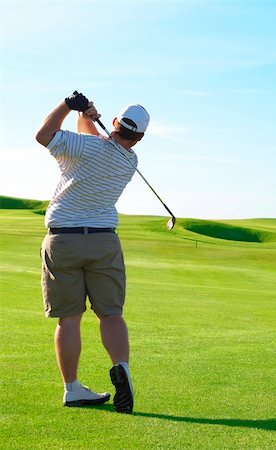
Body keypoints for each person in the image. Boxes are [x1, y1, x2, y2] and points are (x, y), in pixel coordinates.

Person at [35, 91, 150, 414]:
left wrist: (69, 105)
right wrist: (86, 115)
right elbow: (98, 141)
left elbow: (43, 135)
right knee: (111, 314)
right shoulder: (130, 160)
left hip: (63, 240)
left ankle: (72, 389)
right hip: (104, 241)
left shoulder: (83, 147)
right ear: (139, 137)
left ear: (114, 122)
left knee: (69, 319)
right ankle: (121, 366)